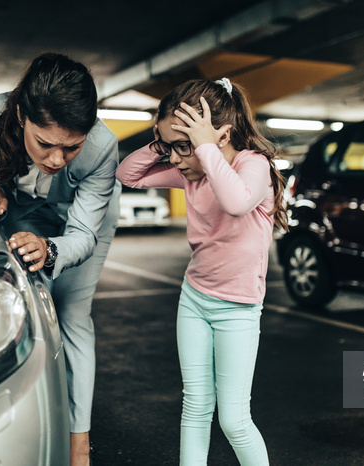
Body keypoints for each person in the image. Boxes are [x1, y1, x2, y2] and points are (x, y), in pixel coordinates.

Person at [0, 52, 120, 466]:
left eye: (71, 148)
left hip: (81, 220)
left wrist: (51, 250)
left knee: (70, 313)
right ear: (20, 115)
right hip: (18, 207)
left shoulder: (102, 148)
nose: (55, 159)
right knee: (11, 305)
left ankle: (78, 444)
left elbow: (82, 234)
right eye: (45, 143)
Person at [115, 77, 288, 466]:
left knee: (234, 419)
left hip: (237, 310)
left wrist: (204, 149)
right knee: (195, 406)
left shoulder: (251, 165)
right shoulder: (191, 170)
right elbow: (127, 175)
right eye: (169, 149)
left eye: (182, 147)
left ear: (221, 136)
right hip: (194, 300)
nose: (174, 160)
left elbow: (237, 202)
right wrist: (161, 144)